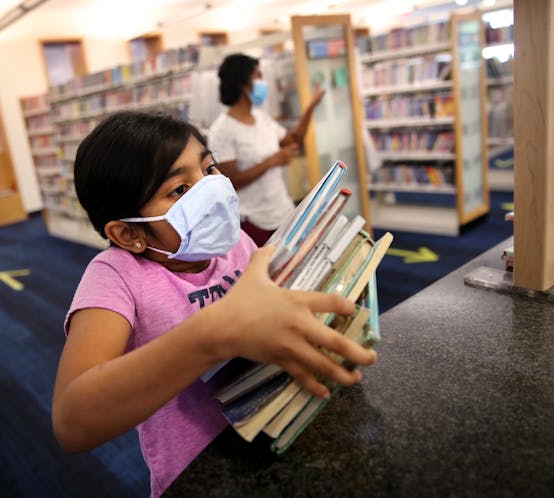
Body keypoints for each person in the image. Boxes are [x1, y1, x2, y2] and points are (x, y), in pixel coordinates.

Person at [51, 111, 377, 498]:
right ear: (129, 233)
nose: (212, 188)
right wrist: (216, 334)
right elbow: (74, 420)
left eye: (209, 168)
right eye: (180, 190)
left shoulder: (235, 243)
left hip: (279, 435)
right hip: (200, 476)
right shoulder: (115, 276)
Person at [208, 53, 326, 246]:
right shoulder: (222, 129)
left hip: (283, 211)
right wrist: (272, 161)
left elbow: (294, 140)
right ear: (242, 83)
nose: (263, 82)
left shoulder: (261, 117)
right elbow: (231, 182)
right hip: (254, 221)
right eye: (258, 76)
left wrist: (311, 108)